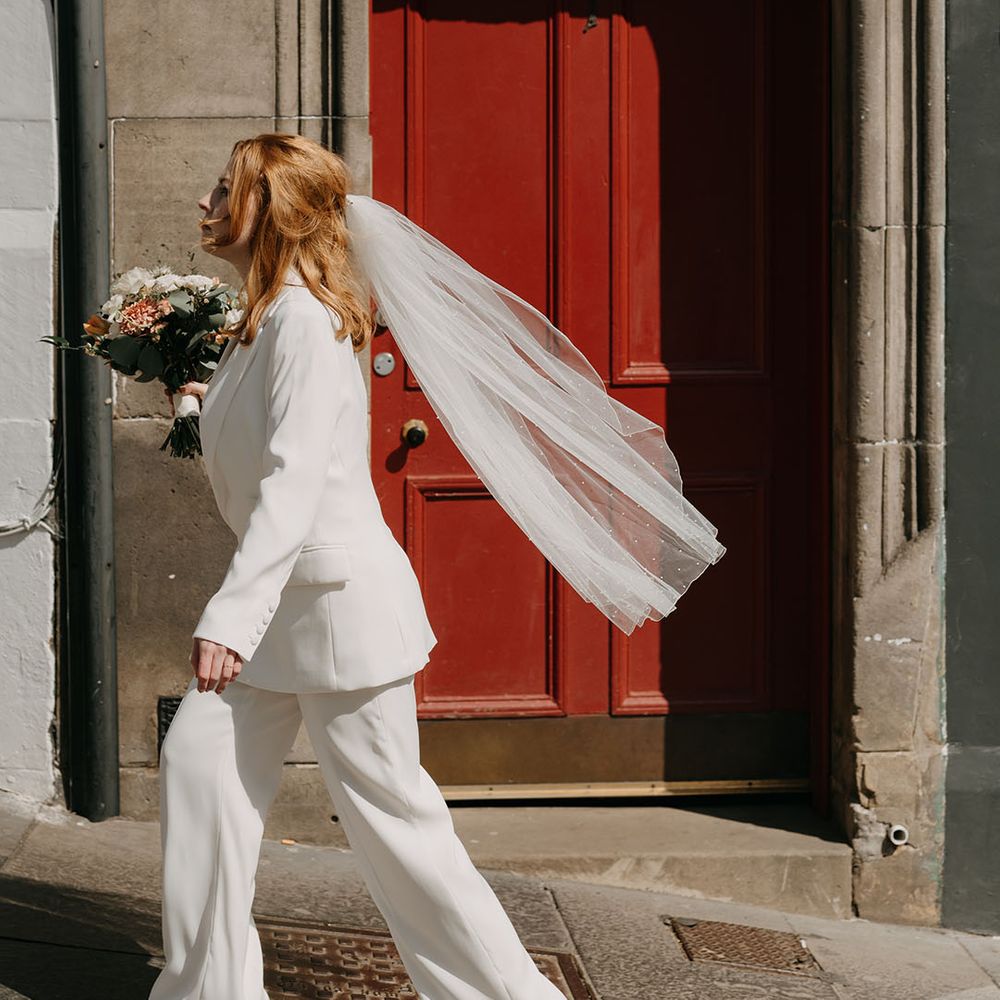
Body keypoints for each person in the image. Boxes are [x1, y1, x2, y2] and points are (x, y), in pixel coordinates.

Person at [149, 133, 571, 999]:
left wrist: (228, 616)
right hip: (285, 616)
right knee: (198, 771)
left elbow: (295, 482)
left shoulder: (302, 320)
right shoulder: (263, 317)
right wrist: (196, 401)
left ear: (272, 210)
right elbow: (271, 452)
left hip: (334, 614)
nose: (205, 203)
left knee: (395, 827)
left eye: (226, 190)